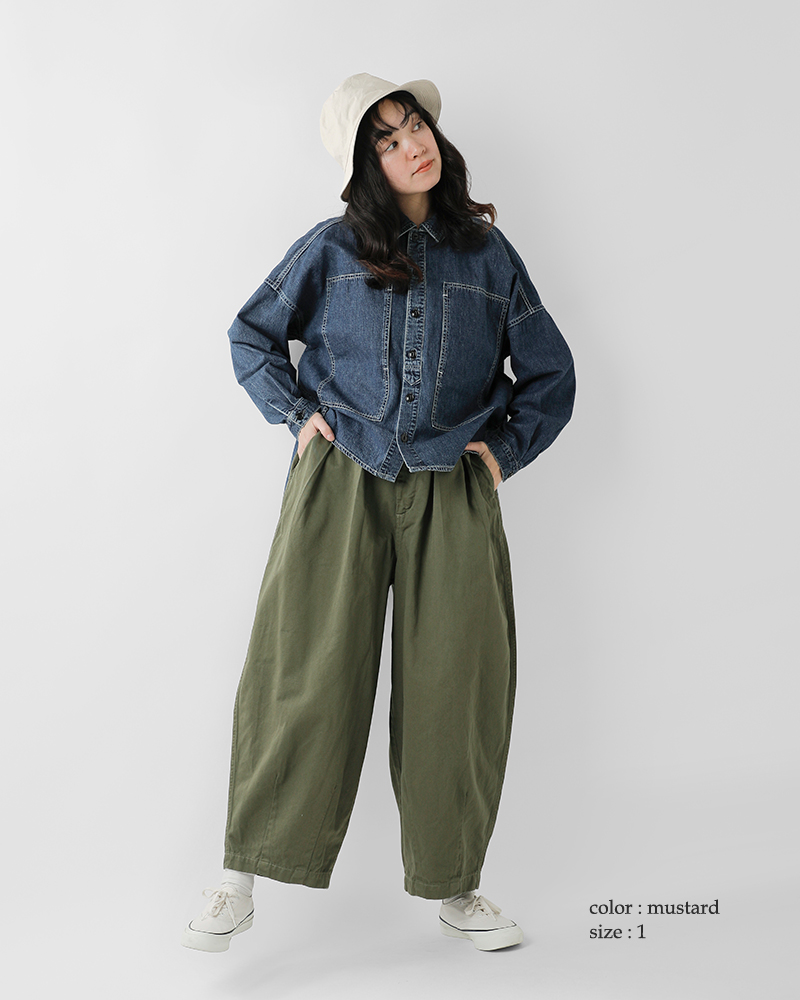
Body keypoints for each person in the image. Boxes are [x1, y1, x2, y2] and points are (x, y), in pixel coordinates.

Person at [182, 72, 575, 954]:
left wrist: (499, 455)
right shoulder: (329, 249)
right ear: (366, 165)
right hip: (341, 479)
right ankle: (239, 878)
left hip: (453, 488)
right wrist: (297, 417)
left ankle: (457, 885)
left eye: (415, 127)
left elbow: (552, 374)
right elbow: (251, 335)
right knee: (300, 672)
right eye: (387, 140)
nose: (411, 146)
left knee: (456, 687)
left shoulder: (488, 256)